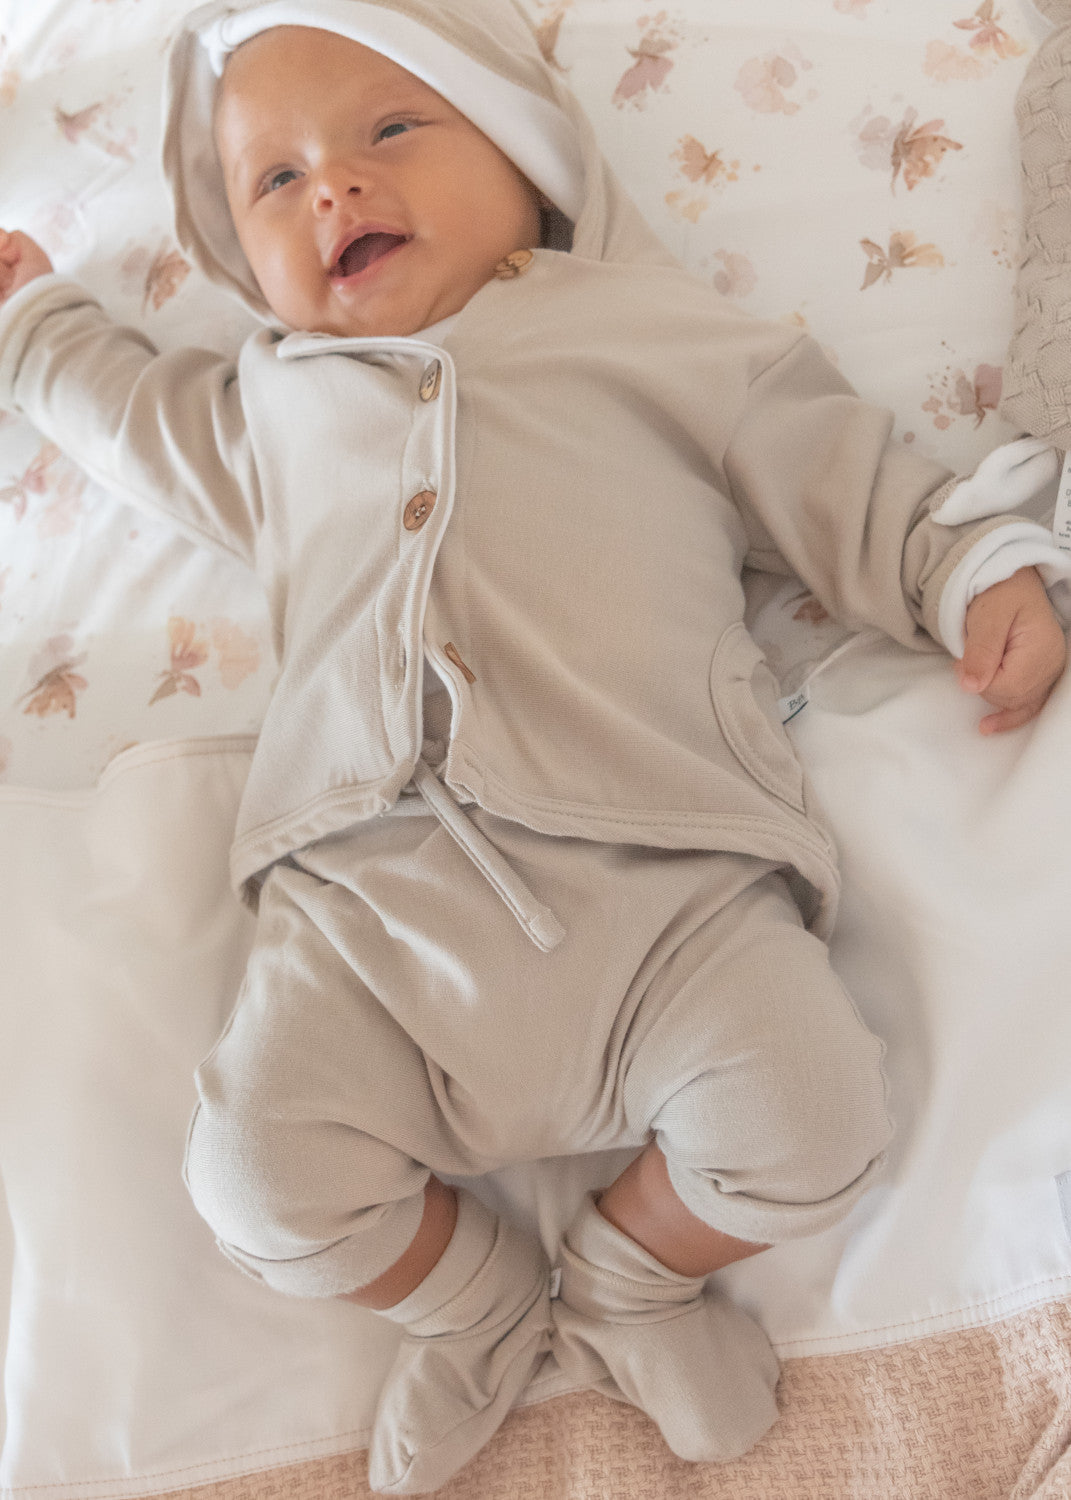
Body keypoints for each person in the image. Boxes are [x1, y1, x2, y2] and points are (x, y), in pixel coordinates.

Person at [0, 1, 1067, 1492]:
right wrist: (34, 326)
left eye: (391, 128)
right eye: (275, 180)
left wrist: (966, 571)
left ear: (524, 153)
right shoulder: (278, 411)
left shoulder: (653, 333)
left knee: (814, 1118)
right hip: (364, 918)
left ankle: (632, 1277)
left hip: (670, 883)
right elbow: (131, 417)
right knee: (255, 1181)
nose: (334, 185)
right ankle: (479, 1306)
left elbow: (835, 466)